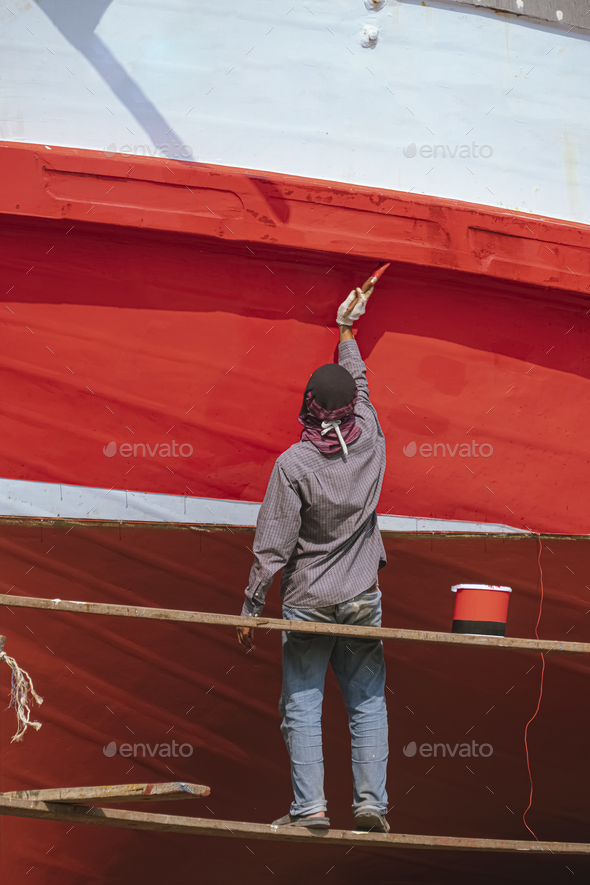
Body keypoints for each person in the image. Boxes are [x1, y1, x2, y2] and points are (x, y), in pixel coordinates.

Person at [237, 284, 389, 833]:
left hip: (308, 605)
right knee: (367, 700)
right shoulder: (371, 437)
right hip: (360, 598)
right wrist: (348, 331)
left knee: (302, 705)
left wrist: (251, 609)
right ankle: (371, 804)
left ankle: (312, 810)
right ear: (350, 410)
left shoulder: (294, 464)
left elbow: (273, 545)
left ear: (308, 407)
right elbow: (363, 388)